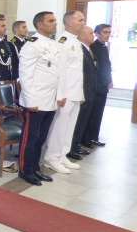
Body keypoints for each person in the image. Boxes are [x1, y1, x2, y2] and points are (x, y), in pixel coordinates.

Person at [17, 11, 60, 186]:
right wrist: (31, 101)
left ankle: (35, 168)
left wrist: (59, 96)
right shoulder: (32, 45)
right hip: (35, 101)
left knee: (41, 138)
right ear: (40, 24)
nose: (55, 23)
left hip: (50, 100)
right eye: (51, 21)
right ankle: (25, 170)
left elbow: (56, 73)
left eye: (55, 20)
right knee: (30, 139)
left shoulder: (54, 44)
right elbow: (25, 75)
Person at [44, 10, 86, 174]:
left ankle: (62, 155)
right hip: (65, 94)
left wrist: (80, 94)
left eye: (83, 20)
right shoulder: (63, 41)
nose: (83, 22)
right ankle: (51, 158)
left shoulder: (75, 41)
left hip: (75, 92)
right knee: (60, 127)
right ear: (69, 22)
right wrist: (60, 94)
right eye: (80, 20)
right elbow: (59, 71)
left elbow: (76, 72)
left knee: (69, 127)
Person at [70, 26, 98, 158]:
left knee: (83, 121)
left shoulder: (88, 49)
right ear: (82, 35)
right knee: (78, 122)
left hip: (90, 90)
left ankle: (77, 144)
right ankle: (72, 148)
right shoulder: (79, 49)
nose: (93, 35)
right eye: (91, 33)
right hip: (83, 92)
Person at [85, 24, 112, 147]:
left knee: (98, 114)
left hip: (103, 86)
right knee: (91, 114)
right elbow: (94, 69)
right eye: (105, 32)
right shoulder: (93, 47)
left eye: (109, 32)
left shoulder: (104, 47)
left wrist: (109, 80)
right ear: (97, 33)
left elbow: (107, 66)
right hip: (95, 86)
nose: (108, 35)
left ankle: (94, 137)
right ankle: (87, 139)